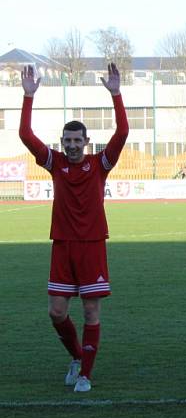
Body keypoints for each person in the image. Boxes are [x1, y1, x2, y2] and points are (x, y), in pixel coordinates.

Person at [19, 63, 128, 393]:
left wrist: (116, 94)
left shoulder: (99, 164)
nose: (72, 145)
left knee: (91, 311)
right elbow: (25, 135)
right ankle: (78, 356)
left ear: (86, 141)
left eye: (77, 140)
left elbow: (122, 133)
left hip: (92, 244)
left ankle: (86, 376)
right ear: (62, 142)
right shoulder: (55, 163)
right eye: (67, 140)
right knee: (56, 312)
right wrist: (28, 96)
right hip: (63, 244)